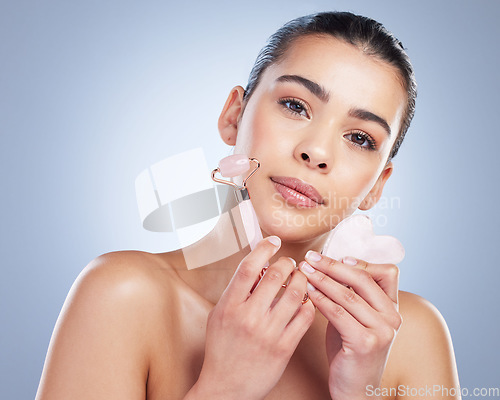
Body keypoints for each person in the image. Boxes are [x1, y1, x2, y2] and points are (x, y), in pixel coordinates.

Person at [36, 11, 460, 400]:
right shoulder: (123, 296)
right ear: (233, 115)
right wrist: (225, 387)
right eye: (296, 106)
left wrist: (362, 393)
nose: (316, 151)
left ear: (377, 186)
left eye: (360, 138)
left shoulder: (410, 338)